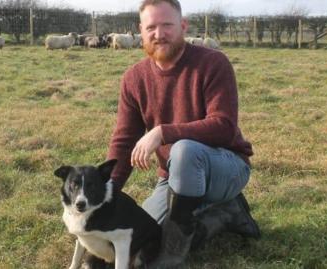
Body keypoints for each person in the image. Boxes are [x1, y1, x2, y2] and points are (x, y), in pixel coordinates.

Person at [106, 0, 261, 267]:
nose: (159, 34)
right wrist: (106, 193)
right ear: (140, 30)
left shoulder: (213, 63)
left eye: (167, 25)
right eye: (151, 27)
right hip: (172, 177)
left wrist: (162, 132)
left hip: (226, 167)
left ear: (183, 26)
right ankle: (227, 214)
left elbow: (224, 125)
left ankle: (173, 254)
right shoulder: (134, 78)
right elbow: (124, 140)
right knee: (141, 235)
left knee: (184, 148)